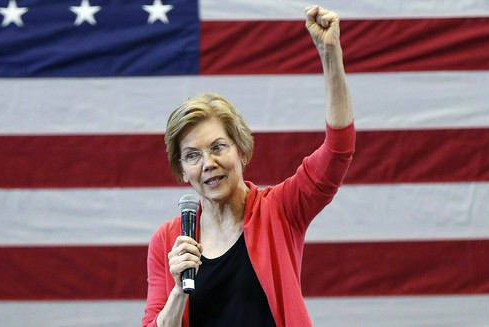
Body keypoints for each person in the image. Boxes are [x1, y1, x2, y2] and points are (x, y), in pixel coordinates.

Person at [142, 5, 355, 327]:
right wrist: (178, 291)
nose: (208, 163)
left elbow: (338, 151)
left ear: (241, 151)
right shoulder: (168, 239)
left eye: (217, 147)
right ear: (182, 171)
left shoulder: (281, 210)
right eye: (192, 155)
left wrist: (330, 56)